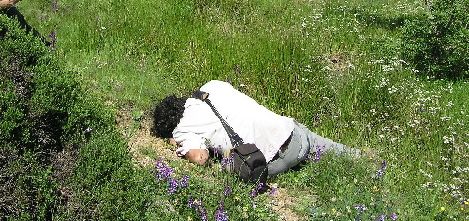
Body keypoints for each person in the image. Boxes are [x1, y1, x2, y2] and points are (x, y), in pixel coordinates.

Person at [153, 80, 360, 176]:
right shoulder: (212, 86)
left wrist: (176, 143)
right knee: (343, 153)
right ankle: (365, 159)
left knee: (237, 170)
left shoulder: (182, 129)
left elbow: (200, 158)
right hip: (292, 130)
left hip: (279, 157)